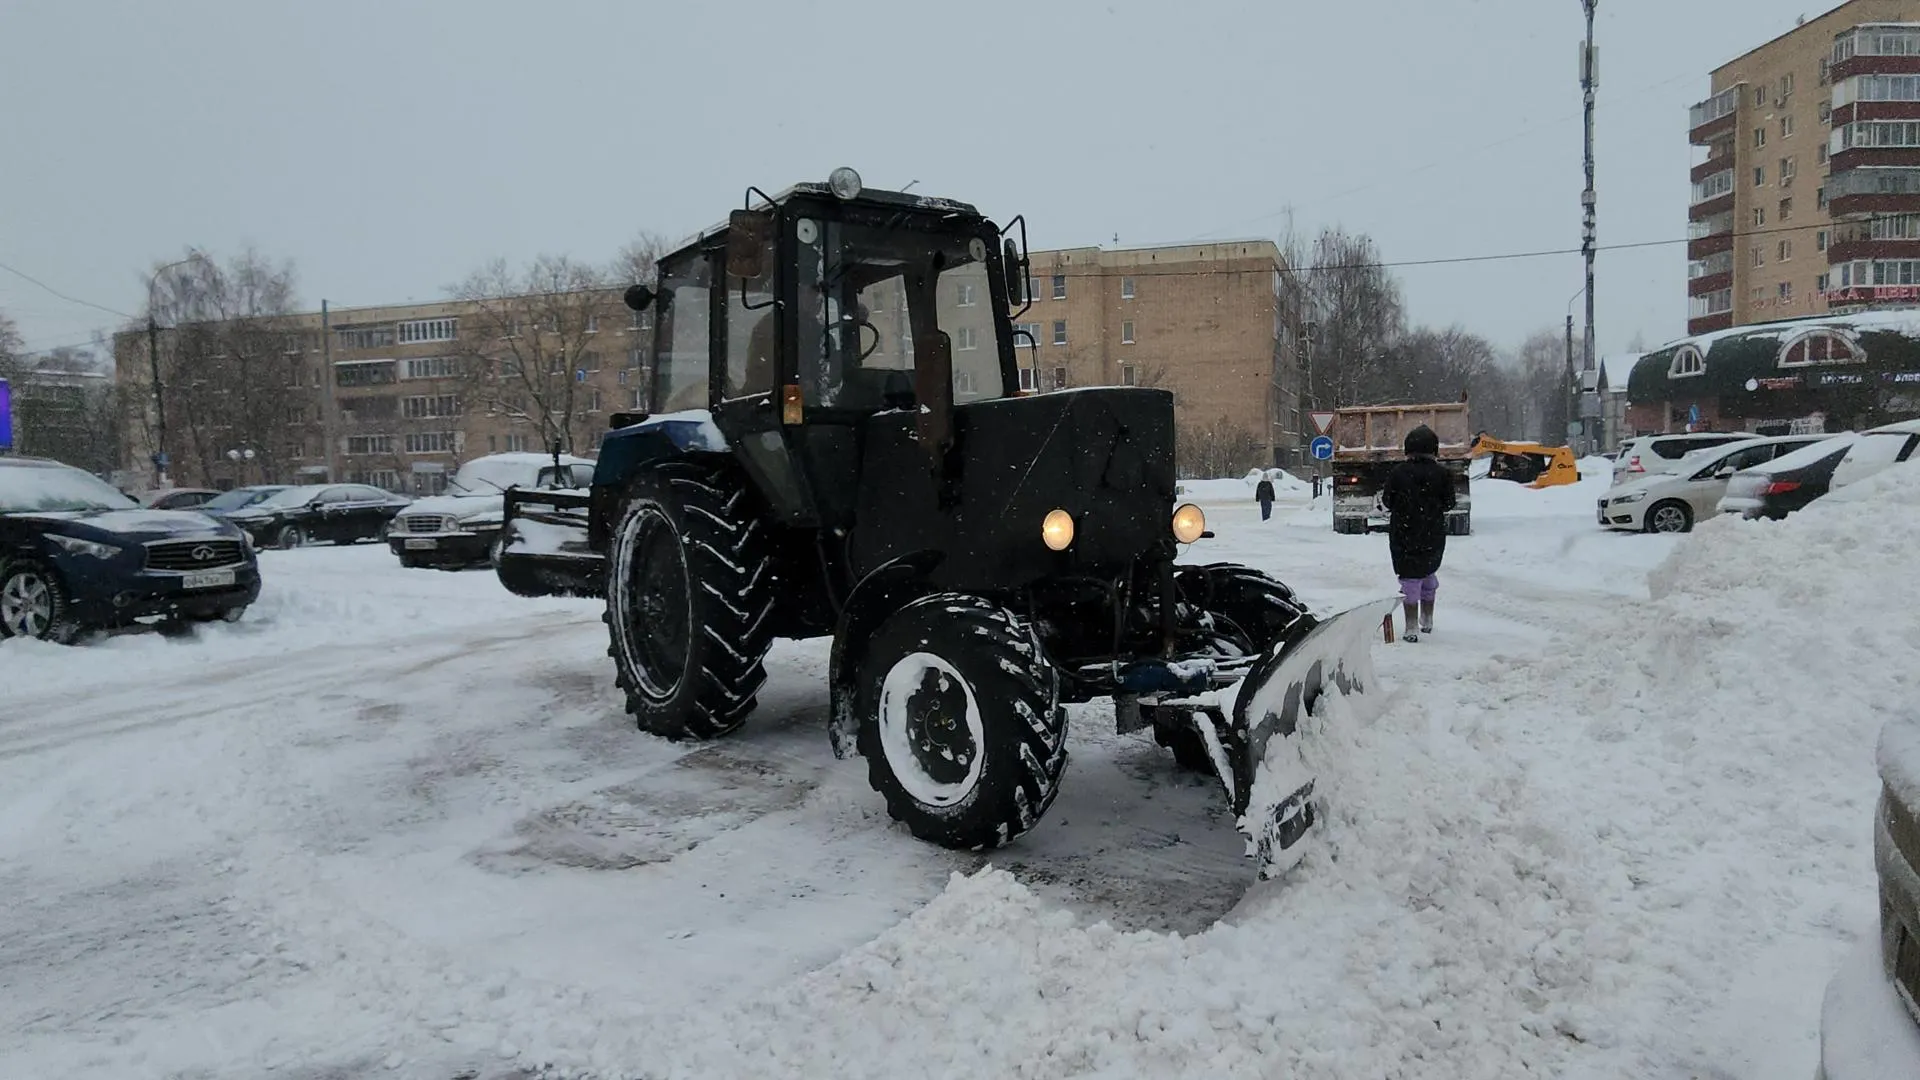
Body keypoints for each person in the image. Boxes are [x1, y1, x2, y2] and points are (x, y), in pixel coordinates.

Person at [1380, 424, 1456, 642]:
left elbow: (1388, 501)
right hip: (1432, 532)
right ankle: (1428, 619)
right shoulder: (1442, 473)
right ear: (1434, 449)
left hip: (1404, 532)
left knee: (1410, 579)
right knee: (1428, 574)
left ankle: (1411, 626)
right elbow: (1449, 502)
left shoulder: (1398, 473)